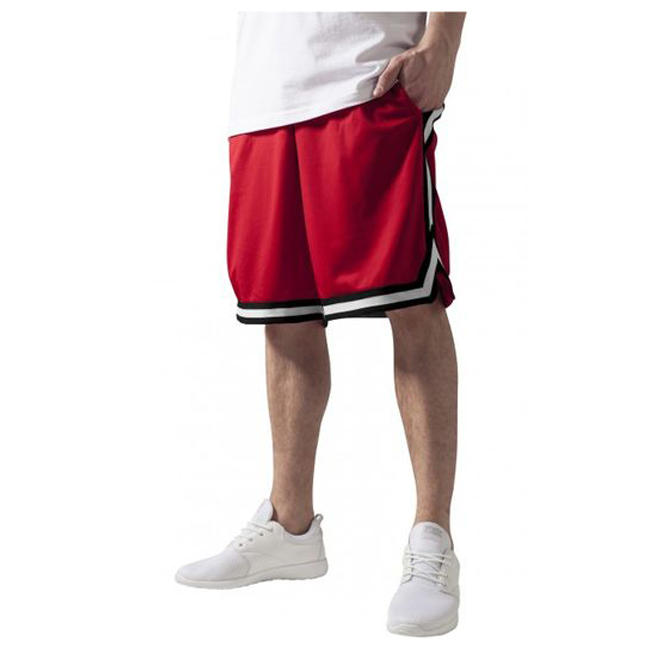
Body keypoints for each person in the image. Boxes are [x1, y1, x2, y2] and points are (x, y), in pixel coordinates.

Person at [176, 11, 466, 637]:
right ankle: (290, 526)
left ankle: (432, 539)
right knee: (282, 311)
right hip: (263, 93)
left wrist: (443, 38)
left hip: (369, 76)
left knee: (411, 302)